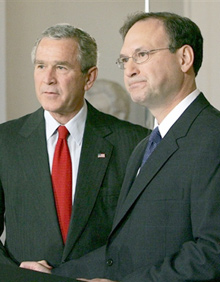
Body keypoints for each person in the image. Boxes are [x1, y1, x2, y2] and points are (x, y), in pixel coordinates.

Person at [20, 12, 220, 281]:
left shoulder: (212, 136)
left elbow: (212, 253)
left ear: (184, 58)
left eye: (142, 55)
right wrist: (56, 274)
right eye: (125, 59)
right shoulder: (144, 148)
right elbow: (122, 252)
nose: (130, 69)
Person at [0, 23, 150, 269]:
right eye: (41, 66)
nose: (48, 79)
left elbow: (144, 236)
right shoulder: (5, 140)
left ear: (89, 78)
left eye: (61, 67)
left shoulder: (134, 142)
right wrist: (15, 272)